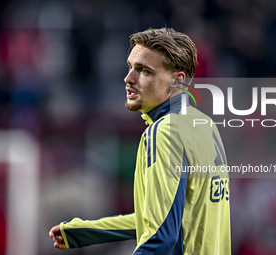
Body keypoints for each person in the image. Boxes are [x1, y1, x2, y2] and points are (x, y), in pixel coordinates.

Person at [49, 27, 231, 254]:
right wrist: (85, 232)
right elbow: (165, 217)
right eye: (130, 67)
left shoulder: (164, 132)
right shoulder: (204, 126)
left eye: (144, 71)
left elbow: (161, 237)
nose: (128, 79)